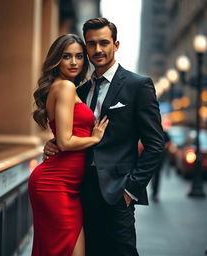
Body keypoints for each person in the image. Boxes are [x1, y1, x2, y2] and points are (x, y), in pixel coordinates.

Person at [44, 18, 165, 256]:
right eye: (91, 44)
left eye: (103, 43)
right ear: (86, 47)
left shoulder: (137, 85)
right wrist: (54, 142)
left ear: (116, 45)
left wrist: (130, 189)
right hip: (79, 189)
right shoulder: (78, 89)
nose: (97, 50)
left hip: (117, 192)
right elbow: (71, 133)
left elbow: (155, 144)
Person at [28, 34, 109, 256]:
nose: (74, 62)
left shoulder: (68, 87)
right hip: (55, 184)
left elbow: (62, 135)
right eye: (66, 56)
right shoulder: (64, 87)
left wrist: (52, 141)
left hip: (68, 186)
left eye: (79, 56)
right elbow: (65, 141)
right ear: (57, 60)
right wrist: (94, 138)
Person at [151, 130, 171, 202]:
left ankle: (155, 192)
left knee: (157, 175)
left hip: (160, 157)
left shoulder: (164, 133)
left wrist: (163, 147)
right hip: (152, 157)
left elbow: (168, 143)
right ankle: (154, 191)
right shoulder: (153, 131)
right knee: (153, 175)